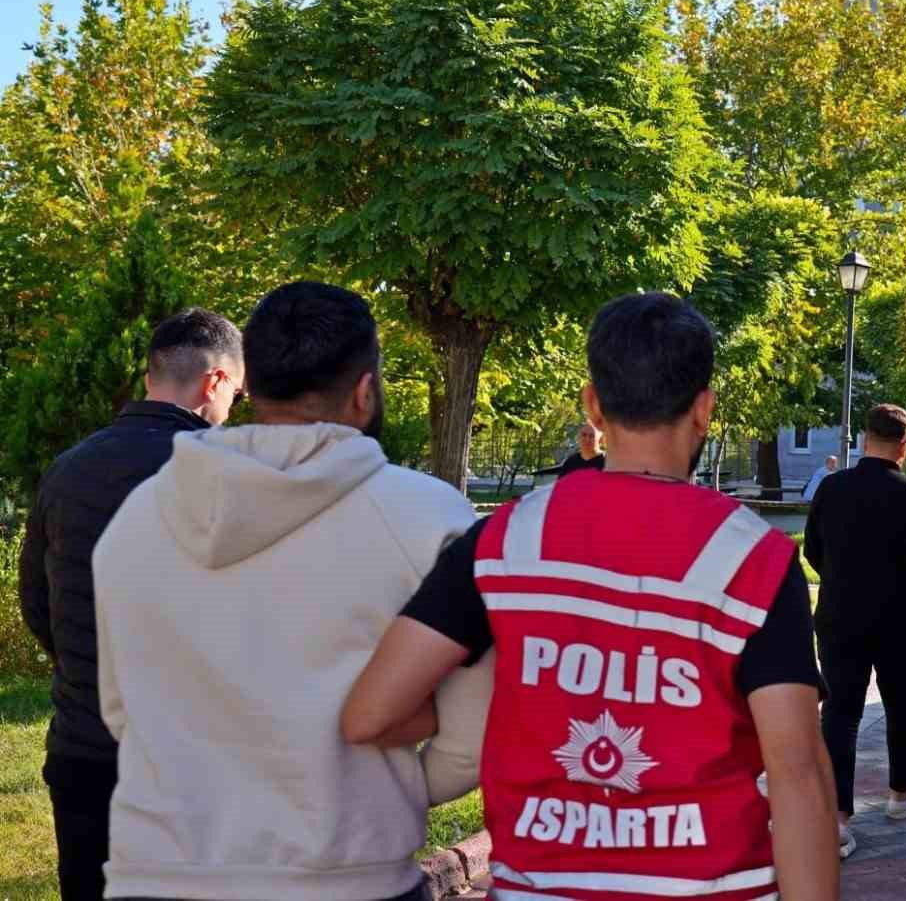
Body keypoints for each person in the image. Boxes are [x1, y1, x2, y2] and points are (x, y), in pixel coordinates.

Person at [342, 293, 839, 901]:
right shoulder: (754, 558)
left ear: (593, 405)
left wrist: (514, 704)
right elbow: (799, 775)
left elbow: (370, 712)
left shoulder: (504, 541)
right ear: (704, 410)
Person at [91, 282, 491, 901]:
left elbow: (122, 710)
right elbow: (469, 739)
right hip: (347, 873)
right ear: (365, 392)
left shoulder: (139, 517)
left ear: (251, 383)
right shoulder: (430, 518)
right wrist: (382, 790)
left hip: (161, 867)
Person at [18, 309, 242, 901]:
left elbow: (38, 605)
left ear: (151, 376)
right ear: (215, 381)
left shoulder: (67, 471)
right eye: (236, 396)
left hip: (83, 750)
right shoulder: (237, 475)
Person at [804, 405, 906, 858]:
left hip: (841, 614)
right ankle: (901, 792)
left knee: (841, 713)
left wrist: (842, 582)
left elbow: (813, 550)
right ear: (904, 444)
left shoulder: (832, 488)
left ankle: (838, 819)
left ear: (865, 438)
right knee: (903, 705)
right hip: (900, 620)